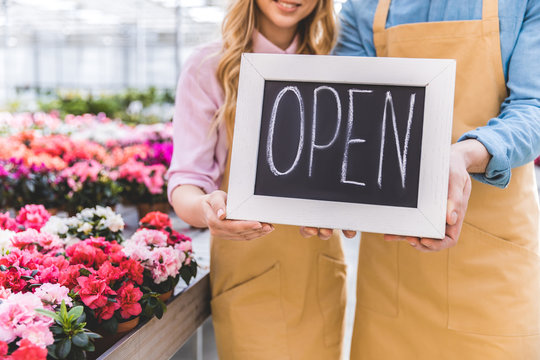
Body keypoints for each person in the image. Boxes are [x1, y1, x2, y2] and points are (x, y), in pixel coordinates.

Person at [328, 0, 540, 358]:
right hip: (394, 273)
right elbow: (347, 114)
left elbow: (533, 105)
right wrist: (329, 195)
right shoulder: (364, 8)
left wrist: (463, 154)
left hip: (493, 272)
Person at [167, 0, 348, 359]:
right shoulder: (209, 67)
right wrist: (206, 210)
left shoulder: (338, 64)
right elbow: (187, 179)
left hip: (319, 268)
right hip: (247, 269)